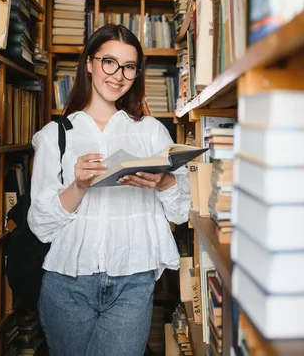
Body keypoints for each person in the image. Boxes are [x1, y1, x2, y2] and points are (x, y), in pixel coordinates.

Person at [28, 24, 190, 356]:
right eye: (109, 62)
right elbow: (41, 225)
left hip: (134, 281)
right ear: (89, 62)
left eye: (129, 66)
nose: (118, 75)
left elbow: (183, 210)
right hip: (67, 284)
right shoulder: (55, 135)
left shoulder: (150, 132)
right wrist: (79, 185)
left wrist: (164, 182)